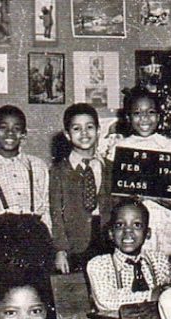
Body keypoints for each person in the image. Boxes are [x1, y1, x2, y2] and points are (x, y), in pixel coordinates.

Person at [0, 105, 54, 314]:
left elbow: (46, 207)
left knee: (39, 295)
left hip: (35, 237)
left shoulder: (37, 166)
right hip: (4, 238)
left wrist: (52, 245)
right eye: (3, 128)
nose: (10, 133)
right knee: (7, 297)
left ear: (24, 134)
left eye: (16, 128)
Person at [110, 88, 171, 257]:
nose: (144, 118)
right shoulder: (120, 148)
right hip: (134, 225)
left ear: (159, 117)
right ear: (128, 117)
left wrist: (151, 195)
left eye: (150, 112)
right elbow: (114, 196)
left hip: (166, 221)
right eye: (137, 113)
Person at [50, 103, 113, 273]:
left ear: (99, 130)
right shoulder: (58, 171)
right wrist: (60, 250)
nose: (84, 133)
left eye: (90, 127)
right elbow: (55, 212)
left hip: (107, 240)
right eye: (77, 128)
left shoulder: (110, 167)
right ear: (67, 135)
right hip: (75, 245)